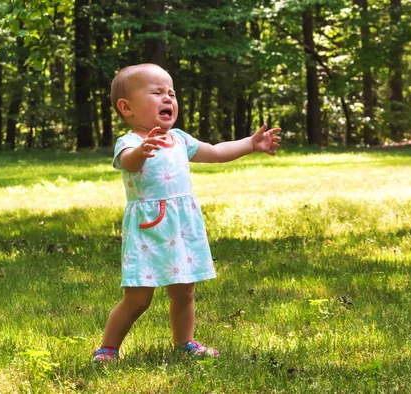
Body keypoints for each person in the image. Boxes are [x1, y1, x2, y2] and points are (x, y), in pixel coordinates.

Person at [92, 63, 281, 363]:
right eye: (157, 93)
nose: (168, 98)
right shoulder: (130, 142)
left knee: (184, 292)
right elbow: (129, 163)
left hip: (181, 228)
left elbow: (216, 152)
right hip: (149, 230)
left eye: (172, 93)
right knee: (138, 298)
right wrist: (142, 152)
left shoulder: (179, 138)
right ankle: (108, 348)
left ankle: (185, 342)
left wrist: (251, 144)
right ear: (126, 107)